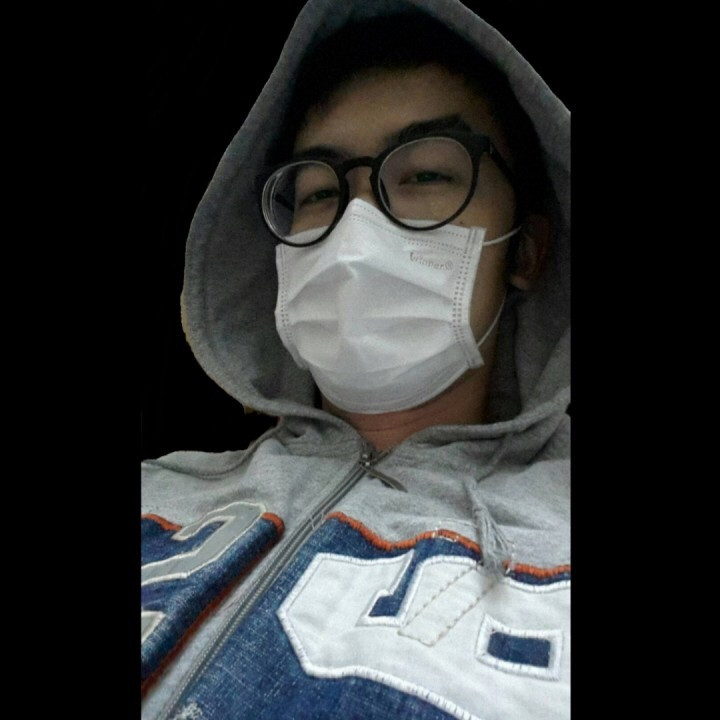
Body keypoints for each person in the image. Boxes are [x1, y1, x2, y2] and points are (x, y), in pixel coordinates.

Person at [141, 1, 570, 718]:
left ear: (525, 250)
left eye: (426, 175)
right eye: (318, 190)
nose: (356, 226)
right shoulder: (159, 495)